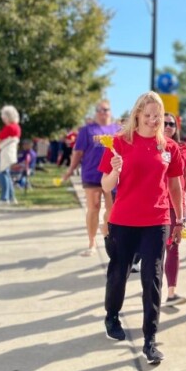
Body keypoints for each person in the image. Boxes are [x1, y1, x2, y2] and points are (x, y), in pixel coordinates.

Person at [99, 92, 186, 365]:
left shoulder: (169, 147)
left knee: (152, 277)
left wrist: (179, 219)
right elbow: (106, 185)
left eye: (157, 117)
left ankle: (150, 339)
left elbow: (175, 185)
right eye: (147, 115)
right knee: (119, 273)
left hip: (157, 220)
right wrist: (115, 171)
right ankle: (112, 314)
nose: (152, 121)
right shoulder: (119, 143)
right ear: (137, 114)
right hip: (124, 220)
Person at [63, 101, 120, 257]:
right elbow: (78, 153)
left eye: (105, 109)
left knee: (112, 210)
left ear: (110, 111)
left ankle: (107, 233)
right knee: (93, 207)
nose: (102, 112)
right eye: (99, 110)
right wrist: (70, 170)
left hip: (111, 175)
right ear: (96, 112)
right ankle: (92, 242)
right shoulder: (87, 130)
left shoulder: (118, 130)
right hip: (91, 174)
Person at [162, 112, 186, 306]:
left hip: (177, 207)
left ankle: (171, 292)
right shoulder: (152, 146)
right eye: (164, 123)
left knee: (173, 247)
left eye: (172, 124)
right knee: (156, 251)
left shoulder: (183, 147)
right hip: (155, 206)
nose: (168, 126)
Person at [0, 106, 21, 204]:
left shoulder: (9, 127)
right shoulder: (16, 127)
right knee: (6, 175)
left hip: (5, 153)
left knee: (2, 175)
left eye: (4, 116)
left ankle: (4, 198)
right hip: (9, 153)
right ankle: (12, 198)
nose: (3, 118)